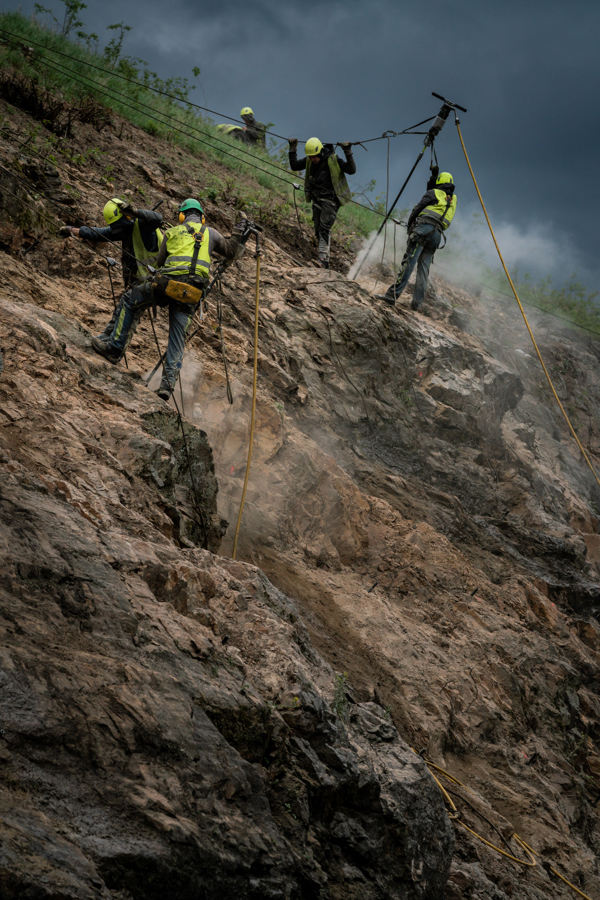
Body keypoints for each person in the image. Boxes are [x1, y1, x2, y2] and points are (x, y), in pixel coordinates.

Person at [91, 198, 247, 401]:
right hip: (192, 293)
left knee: (130, 299)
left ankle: (114, 348)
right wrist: (239, 230)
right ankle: (166, 386)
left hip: (167, 285)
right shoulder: (212, 234)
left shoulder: (173, 232)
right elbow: (233, 251)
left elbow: (160, 262)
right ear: (202, 217)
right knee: (177, 338)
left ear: (181, 216)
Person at [59, 199, 164, 343]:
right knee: (122, 309)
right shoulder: (124, 228)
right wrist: (72, 230)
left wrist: (136, 212)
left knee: (129, 312)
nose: (118, 229)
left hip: (150, 281)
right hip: (138, 280)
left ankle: (114, 348)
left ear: (127, 217)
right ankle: (107, 338)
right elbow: (98, 233)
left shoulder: (144, 227)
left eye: (119, 225)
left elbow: (157, 219)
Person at [376, 170, 457, 311]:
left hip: (423, 229)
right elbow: (435, 193)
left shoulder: (433, 193)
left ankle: (392, 295)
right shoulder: (452, 199)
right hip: (437, 235)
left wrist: (410, 226)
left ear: (439, 182)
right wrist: (432, 178)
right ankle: (417, 304)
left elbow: (417, 208)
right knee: (423, 270)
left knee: (409, 262)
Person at [288, 137, 355, 268]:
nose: (312, 159)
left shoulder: (334, 160)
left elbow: (351, 170)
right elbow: (294, 166)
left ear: (320, 153)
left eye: (314, 157)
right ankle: (325, 262)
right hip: (317, 199)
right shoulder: (309, 161)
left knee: (325, 227)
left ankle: (323, 259)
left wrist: (348, 151)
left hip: (331, 200)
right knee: (318, 229)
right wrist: (292, 148)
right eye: (310, 157)